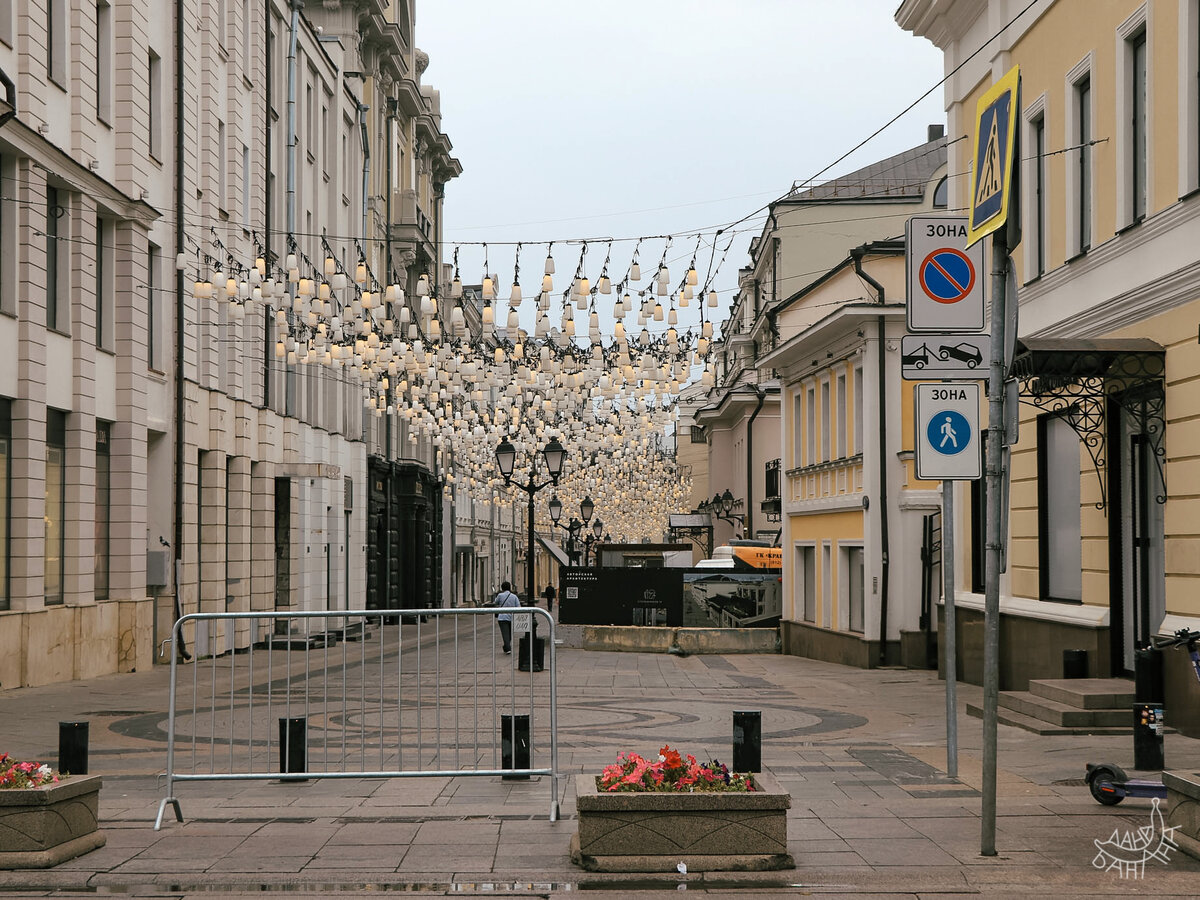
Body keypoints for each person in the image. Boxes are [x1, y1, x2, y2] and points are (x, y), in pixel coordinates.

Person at [491, 581, 520, 654]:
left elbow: (495, 602)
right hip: (512, 617)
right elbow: (518, 607)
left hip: (502, 617)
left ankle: (507, 647)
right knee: (510, 633)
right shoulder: (514, 596)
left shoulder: (500, 595)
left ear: (502, 588)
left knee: (505, 633)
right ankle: (507, 646)